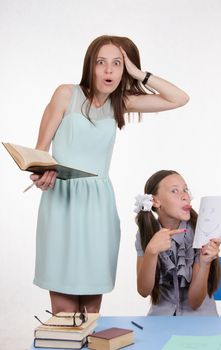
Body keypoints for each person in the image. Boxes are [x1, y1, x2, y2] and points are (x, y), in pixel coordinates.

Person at [30, 35, 189, 314]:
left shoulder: (121, 102)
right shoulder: (66, 94)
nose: (108, 71)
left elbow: (179, 98)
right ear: (89, 65)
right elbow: (39, 155)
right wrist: (42, 174)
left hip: (98, 206)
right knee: (64, 313)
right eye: (101, 62)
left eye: (117, 64)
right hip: (62, 203)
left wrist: (140, 74)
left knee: (91, 313)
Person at [134, 170, 221, 316]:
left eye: (185, 190)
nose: (185, 196)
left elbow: (195, 302)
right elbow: (144, 291)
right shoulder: (146, 233)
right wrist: (151, 252)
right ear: (155, 201)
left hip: (200, 320)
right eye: (174, 191)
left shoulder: (201, 231)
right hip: (161, 320)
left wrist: (205, 263)